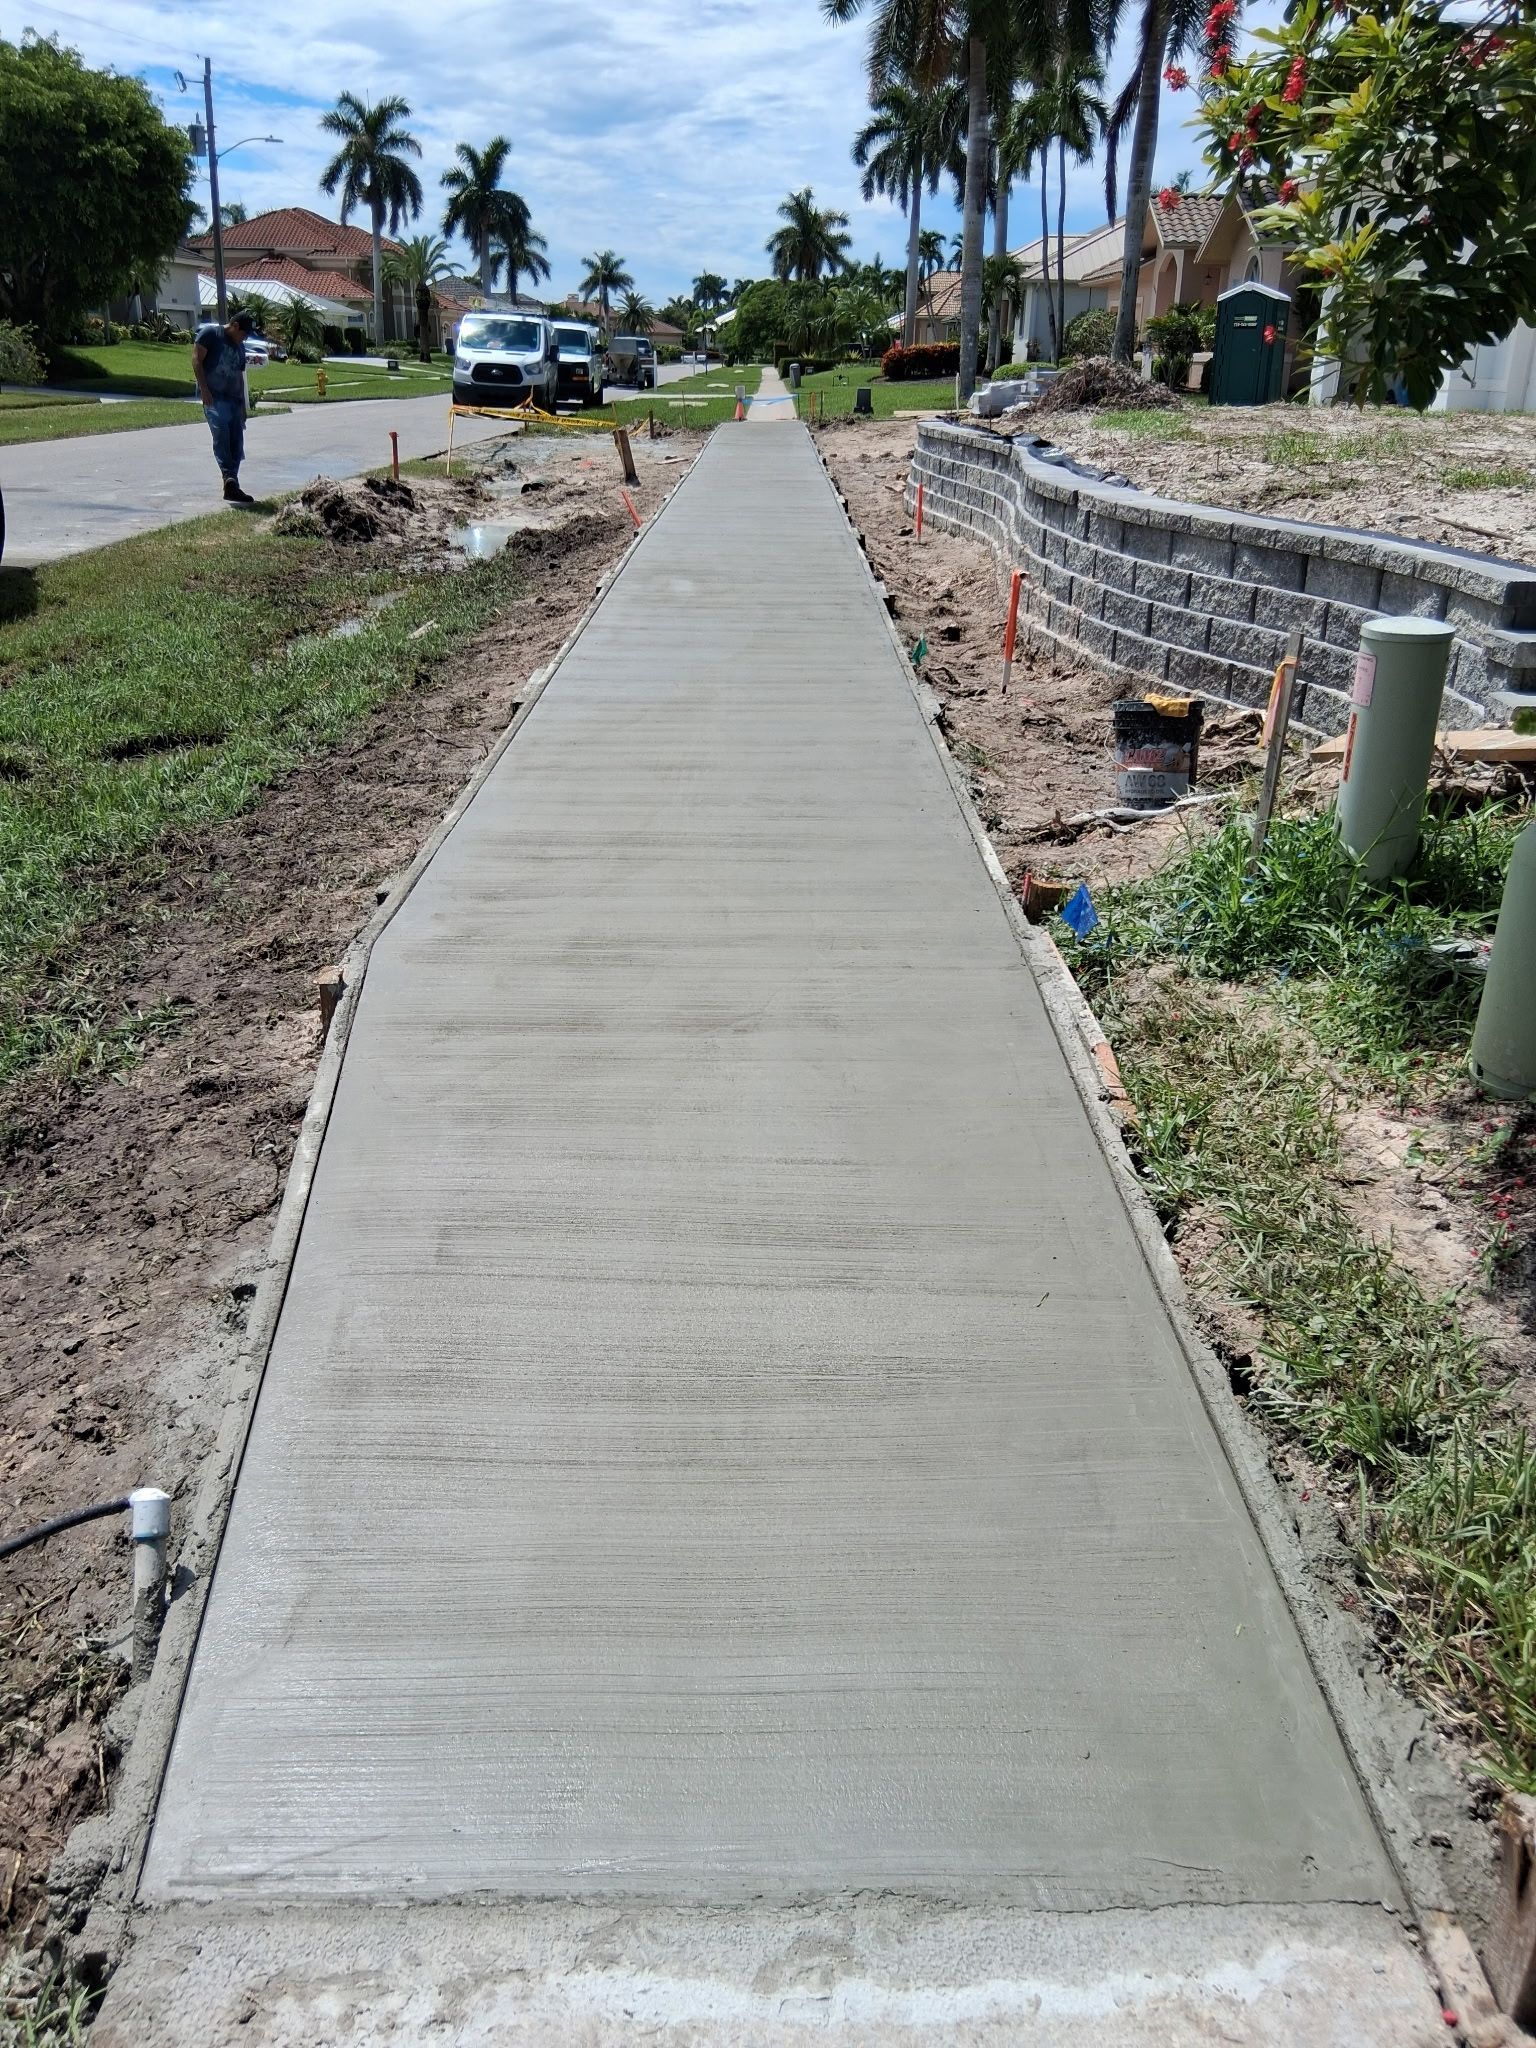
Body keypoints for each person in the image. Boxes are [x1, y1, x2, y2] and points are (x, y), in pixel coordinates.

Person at [192, 308, 256, 504]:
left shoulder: (240, 347)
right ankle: (229, 479)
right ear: (234, 326)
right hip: (214, 397)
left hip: (233, 400)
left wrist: (243, 405)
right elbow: (196, 359)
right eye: (243, 334)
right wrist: (204, 389)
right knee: (222, 435)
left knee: (236, 443)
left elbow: (240, 376)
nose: (244, 339)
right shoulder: (211, 334)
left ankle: (232, 484)